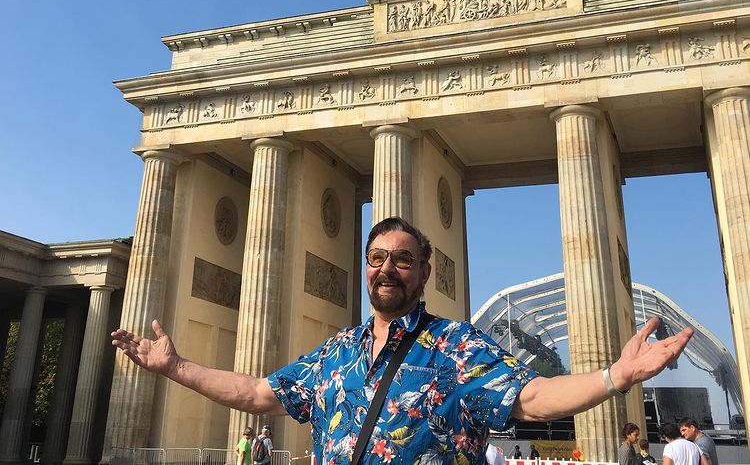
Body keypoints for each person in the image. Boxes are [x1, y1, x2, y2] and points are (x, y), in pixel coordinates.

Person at [112, 217, 693, 465]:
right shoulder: (336, 352)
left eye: (402, 260)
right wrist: (175, 367)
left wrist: (617, 376)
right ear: (366, 267)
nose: (387, 269)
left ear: (424, 273)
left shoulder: (455, 347)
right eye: (377, 258)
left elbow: (533, 399)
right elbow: (257, 393)